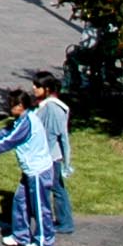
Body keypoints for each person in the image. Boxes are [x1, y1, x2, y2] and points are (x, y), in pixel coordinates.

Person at [0, 88, 58, 246]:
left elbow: (10, 140)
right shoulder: (21, 119)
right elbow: (7, 131)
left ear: (20, 106)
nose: (9, 108)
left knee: (40, 207)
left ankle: (44, 243)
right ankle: (21, 236)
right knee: (20, 201)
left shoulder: (27, 123)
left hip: (39, 171)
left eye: (11, 105)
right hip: (29, 171)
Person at [31, 75, 76, 235]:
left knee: (55, 189)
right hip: (44, 156)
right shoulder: (43, 105)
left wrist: (66, 163)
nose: (34, 88)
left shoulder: (53, 108)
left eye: (37, 86)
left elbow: (60, 136)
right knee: (54, 188)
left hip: (49, 158)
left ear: (47, 89)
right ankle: (61, 221)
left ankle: (64, 222)